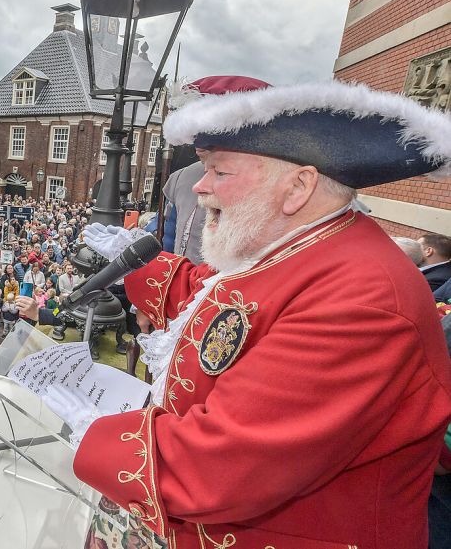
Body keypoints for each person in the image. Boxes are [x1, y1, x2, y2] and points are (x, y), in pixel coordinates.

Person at [71, 81, 451, 548]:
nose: (200, 186)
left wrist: (94, 433)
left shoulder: (364, 299)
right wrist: (136, 263)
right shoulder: (300, 245)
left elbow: (224, 464)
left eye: (219, 172)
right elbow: (221, 309)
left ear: (298, 186)